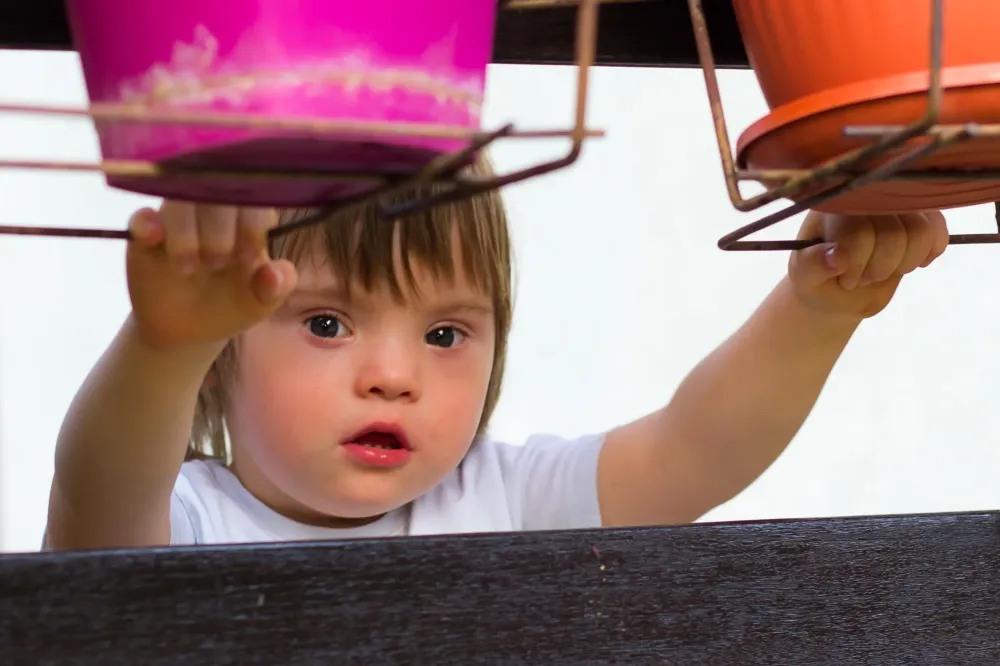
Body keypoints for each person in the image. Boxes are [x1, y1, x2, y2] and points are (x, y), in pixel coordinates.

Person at [43, 156, 949, 548]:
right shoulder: (189, 524)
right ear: (220, 349)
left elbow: (694, 449)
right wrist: (164, 349)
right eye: (326, 323)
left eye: (445, 335)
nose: (393, 376)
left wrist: (816, 309)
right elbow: (96, 506)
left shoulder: (504, 499)